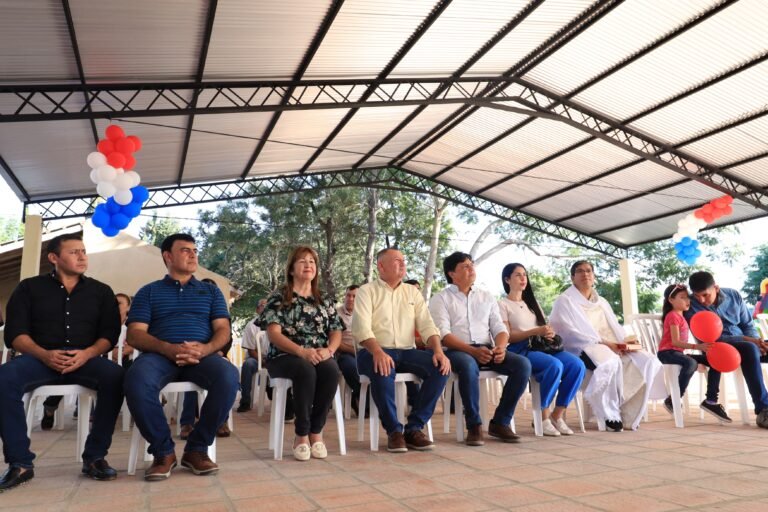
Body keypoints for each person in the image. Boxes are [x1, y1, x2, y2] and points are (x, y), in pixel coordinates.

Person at [0, 233, 124, 491]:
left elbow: (109, 335)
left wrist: (87, 353)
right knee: (4, 378)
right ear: (54, 258)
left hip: (85, 359)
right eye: (74, 252)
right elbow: (15, 334)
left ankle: (95, 458)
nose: (82, 256)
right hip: (39, 359)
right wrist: (44, 354)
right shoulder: (28, 288)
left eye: (83, 251)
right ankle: (20, 463)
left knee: (116, 377)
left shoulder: (101, 291)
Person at [124, 233, 239, 481]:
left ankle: (197, 449)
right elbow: (134, 334)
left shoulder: (211, 292)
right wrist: (168, 348)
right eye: (186, 250)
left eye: (195, 250)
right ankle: (163, 452)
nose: (193, 255)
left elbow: (223, 329)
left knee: (229, 375)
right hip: (159, 356)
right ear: (168, 256)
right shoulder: (148, 292)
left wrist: (206, 349)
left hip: (202, 356)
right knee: (136, 379)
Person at [351, 248, 451, 452]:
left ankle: (414, 428)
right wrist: (378, 352)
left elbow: (427, 325)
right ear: (381, 266)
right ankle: (394, 431)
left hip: (406, 351)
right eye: (397, 260)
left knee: (440, 367)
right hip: (373, 351)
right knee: (382, 368)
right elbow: (361, 328)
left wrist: (438, 351)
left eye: (404, 260)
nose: (403, 264)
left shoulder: (412, 292)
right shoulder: (367, 291)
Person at [549, 261, 664, 432]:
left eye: (589, 271)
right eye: (580, 271)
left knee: (648, 360)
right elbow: (568, 332)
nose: (585, 274)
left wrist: (625, 342)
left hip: (612, 343)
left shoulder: (601, 301)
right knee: (609, 361)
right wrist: (606, 344)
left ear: (594, 276)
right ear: (572, 278)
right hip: (584, 346)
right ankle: (609, 414)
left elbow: (614, 326)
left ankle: (629, 414)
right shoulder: (565, 300)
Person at [429, 253, 530, 445]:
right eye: (465, 266)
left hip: (486, 348)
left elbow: (500, 328)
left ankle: (500, 422)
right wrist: (472, 351)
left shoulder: (486, 297)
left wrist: (500, 348)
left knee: (522, 364)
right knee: (468, 365)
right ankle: (474, 425)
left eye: (471, 265)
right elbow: (443, 334)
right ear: (452, 273)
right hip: (456, 350)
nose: (471, 268)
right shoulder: (440, 299)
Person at [260, 246, 343, 461]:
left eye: (312, 261)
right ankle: (301, 434)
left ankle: (316, 431)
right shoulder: (279, 297)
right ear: (291, 269)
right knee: (305, 369)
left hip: (318, 354)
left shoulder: (324, 299)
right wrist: (301, 351)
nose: (308, 265)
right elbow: (273, 334)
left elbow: (336, 331)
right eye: (302, 261)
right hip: (285, 356)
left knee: (331, 370)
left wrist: (329, 350)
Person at [498, 263, 585, 436]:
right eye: (518, 275)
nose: (523, 278)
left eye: (525, 274)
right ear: (507, 280)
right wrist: (535, 331)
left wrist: (548, 332)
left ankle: (556, 415)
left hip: (542, 347)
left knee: (577, 365)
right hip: (521, 349)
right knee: (554, 365)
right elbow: (508, 336)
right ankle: (542, 417)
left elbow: (542, 328)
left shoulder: (532, 303)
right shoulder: (502, 304)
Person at [685, 271, 768, 428]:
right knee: (750, 348)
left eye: (705, 295)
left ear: (716, 288)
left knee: (755, 347)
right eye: (697, 296)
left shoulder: (733, 296)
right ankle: (764, 410)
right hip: (718, 348)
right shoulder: (691, 305)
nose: (701, 300)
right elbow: (711, 340)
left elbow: (747, 325)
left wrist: (759, 342)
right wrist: (750, 341)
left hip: (747, 343)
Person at [657, 283, 730, 422]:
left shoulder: (683, 316)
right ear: (671, 300)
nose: (687, 300)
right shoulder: (673, 316)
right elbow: (675, 342)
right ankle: (673, 399)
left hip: (678, 354)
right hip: (667, 353)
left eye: (687, 297)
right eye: (682, 297)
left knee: (715, 361)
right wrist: (698, 347)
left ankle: (710, 400)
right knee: (691, 363)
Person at [336, 285, 365, 417]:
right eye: (348, 295)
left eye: (354, 296)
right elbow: (335, 342)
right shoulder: (336, 314)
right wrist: (354, 351)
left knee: (377, 368)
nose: (351, 299)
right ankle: (363, 401)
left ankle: (360, 399)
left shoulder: (364, 313)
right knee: (352, 366)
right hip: (344, 352)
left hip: (363, 351)